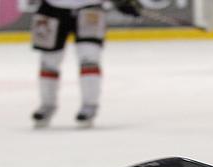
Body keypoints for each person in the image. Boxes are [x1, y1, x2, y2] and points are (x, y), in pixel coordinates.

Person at [28, 0, 141, 128]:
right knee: (48, 61)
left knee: (89, 58)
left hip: (91, 8)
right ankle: (47, 105)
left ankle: (89, 104)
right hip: (50, 9)